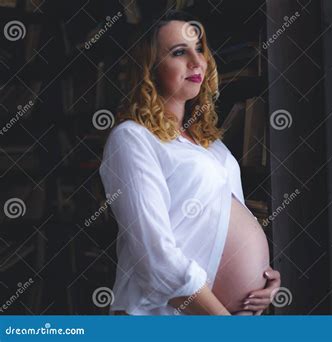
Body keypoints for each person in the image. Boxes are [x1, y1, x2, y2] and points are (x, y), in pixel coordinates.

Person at [99, 10, 280, 315]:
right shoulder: (132, 138)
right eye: (179, 52)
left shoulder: (213, 145)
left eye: (199, 50)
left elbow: (222, 221)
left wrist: (265, 280)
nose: (196, 62)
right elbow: (154, 257)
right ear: (150, 67)